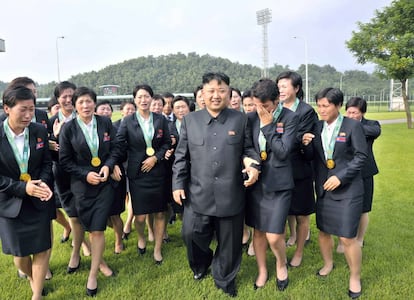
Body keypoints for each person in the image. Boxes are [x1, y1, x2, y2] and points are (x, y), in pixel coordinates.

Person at [172, 72, 260, 297]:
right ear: (203, 93)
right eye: (211, 91)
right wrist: (177, 184)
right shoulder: (191, 120)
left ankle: (225, 279)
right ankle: (201, 265)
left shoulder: (240, 119)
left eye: (221, 91)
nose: (216, 95)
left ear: (229, 93)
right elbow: (181, 156)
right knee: (191, 234)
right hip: (198, 192)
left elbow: (248, 150)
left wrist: (253, 166)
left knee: (230, 244)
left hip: (231, 192)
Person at [302, 88, 367, 299]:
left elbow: (360, 157)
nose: (321, 110)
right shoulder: (317, 126)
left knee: (347, 237)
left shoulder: (352, 126)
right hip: (324, 189)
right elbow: (313, 157)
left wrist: (341, 176)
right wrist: (306, 145)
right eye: (319, 105)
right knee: (323, 232)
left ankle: (355, 277)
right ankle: (328, 264)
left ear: (338, 106)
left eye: (325, 106)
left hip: (348, 190)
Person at [59, 87, 117, 297]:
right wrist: (85, 175)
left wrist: (108, 165)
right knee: (86, 226)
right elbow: (64, 161)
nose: (86, 105)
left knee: (98, 229)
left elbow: (116, 149)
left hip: (104, 184)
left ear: (95, 103)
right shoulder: (68, 129)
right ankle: (93, 260)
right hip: (82, 187)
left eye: (89, 101)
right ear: (75, 105)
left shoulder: (105, 123)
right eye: (81, 102)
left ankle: (92, 275)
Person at [0, 86, 53, 300]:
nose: (29, 115)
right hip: (10, 204)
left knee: (42, 249)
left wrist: (44, 184)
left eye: (31, 109)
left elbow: (47, 164)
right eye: (23, 110)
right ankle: (33, 278)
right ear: (7, 108)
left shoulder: (39, 130)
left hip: (38, 201)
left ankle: (37, 294)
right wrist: (24, 188)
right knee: (20, 254)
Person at [245, 78, 298, 292]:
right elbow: (247, 147)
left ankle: (280, 262)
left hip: (279, 184)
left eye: (264, 105)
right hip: (256, 183)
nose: (259, 109)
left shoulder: (290, 118)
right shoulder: (249, 118)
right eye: (256, 104)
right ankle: (262, 270)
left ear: (276, 101)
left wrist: (268, 126)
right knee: (258, 232)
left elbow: (283, 151)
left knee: (275, 235)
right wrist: (253, 165)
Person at [114, 84, 170, 265]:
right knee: (140, 216)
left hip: (157, 172)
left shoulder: (160, 120)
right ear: (135, 99)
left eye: (147, 96)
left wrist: (156, 158)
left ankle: (158, 249)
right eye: (140, 97)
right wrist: (113, 163)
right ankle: (141, 236)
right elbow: (119, 144)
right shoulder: (128, 121)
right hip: (138, 174)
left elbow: (167, 143)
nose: (143, 100)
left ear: (151, 98)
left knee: (160, 213)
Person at [49, 81, 91, 273]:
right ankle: (79, 249)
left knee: (82, 212)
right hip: (62, 174)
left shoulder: (85, 118)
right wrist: (54, 139)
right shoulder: (49, 123)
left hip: (84, 174)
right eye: (63, 96)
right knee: (72, 213)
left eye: (70, 96)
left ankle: (82, 246)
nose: (67, 100)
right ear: (57, 99)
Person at [276, 71, 317, 267]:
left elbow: (299, 138)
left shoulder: (306, 111)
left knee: (302, 215)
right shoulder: (275, 109)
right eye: (279, 86)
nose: (281, 90)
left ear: (297, 88)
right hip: (278, 171)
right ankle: (281, 255)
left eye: (285, 86)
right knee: (280, 215)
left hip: (300, 171)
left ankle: (299, 252)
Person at [344, 97, 381, 248]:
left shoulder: (371, 125)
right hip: (346, 171)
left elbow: (375, 131)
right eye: (349, 112)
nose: (351, 115)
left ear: (363, 113)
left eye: (355, 113)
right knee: (345, 207)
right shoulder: (341, 124)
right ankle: (344, 239)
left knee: (363, 208)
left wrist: (352, 127)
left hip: (365, 172)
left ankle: (359, 239)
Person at [95, 100, 126, 254]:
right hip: (94, 176)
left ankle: (119, 242)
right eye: (102, 109)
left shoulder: (114, 128)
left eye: (108, 109)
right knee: (100, 214)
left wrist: (113, 165)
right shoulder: (89, 129)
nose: (106, 111)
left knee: (115, 213)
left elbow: (119, 149)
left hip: (114, 176)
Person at [113, 101, 137, 240]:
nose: (130, 112)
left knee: (132, 194)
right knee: (127, 196)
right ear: (121, 111)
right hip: (119, 165)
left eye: (132, 110)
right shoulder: (114, 126)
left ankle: (127, 224)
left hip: (134, 164)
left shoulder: (137, 125)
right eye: (127, 109)